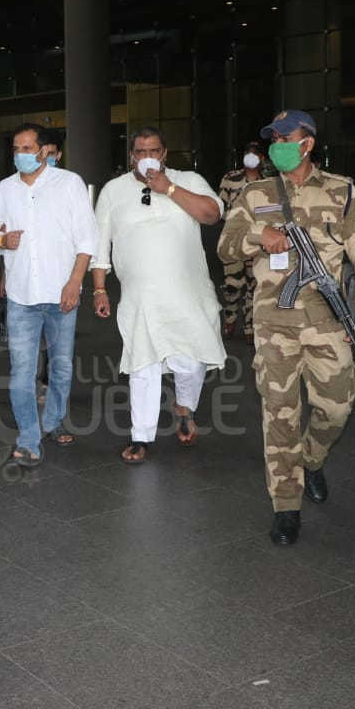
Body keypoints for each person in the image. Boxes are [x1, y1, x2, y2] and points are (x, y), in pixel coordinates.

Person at [217, 109, 355, 546]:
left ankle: (311, 459)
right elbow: (226, 248)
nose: (277, 146)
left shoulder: (341, 191)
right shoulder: (255, 193)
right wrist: (260, 236)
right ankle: (286, 505)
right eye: (273, 139)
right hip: (274, 323)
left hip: (327, 320)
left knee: (337, 407)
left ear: (307, 143)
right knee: (280, 415)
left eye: (285, 138)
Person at [91, 127, 227, 463]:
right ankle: (141, 435)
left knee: (193, 359)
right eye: (140, 151)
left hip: (189, 293)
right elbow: (100, 243)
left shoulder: (188, 180)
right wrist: (99, 289)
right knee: (143, 364)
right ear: (131, 155)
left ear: (164, 153)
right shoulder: (113, 190)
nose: (147, 156)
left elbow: (212, 214)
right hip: (140, 297)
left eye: (154, 150)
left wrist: (169, 189)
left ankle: (184, 407)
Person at [0, 123, 96, 466]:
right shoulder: (5, 189)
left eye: (27, 148)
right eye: (16, 148)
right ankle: (28, 439)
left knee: (61, 367)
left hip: (61, 291)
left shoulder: (69, 183)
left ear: (43, 151)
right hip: (22, 295)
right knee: (22, 371)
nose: (21, 154)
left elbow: (87, 238)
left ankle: (51, 421)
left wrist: (75, 283)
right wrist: (4, 241)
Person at [217, 140, 270, 342]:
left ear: (262, 158)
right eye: (248, 152)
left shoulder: (268, 182)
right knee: (232, 284)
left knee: (253, 285)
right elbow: (220, 207)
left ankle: (249, 328)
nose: (251, 156)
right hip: (233, 240)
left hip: (257, 241)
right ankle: (230, 317)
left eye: (255, 153)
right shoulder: (230, 179)